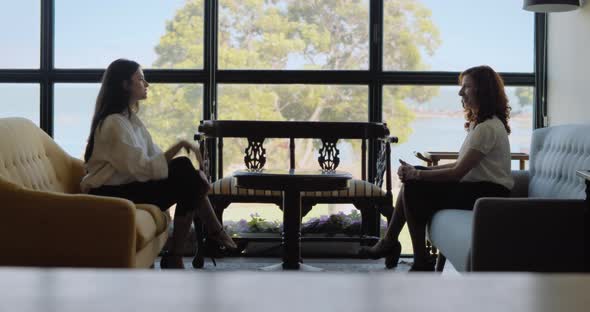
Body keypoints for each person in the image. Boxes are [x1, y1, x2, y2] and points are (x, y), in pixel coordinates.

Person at [80, 58, 236, 269]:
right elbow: (143, 167)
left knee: (187, 174)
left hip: (128, 187)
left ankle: (189, 247)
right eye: (141, 79)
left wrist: (185, 160)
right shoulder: (113, 124)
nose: (147, 85)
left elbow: (153, 160)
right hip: (109, 194)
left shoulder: (130, 120)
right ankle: (209, 235)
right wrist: (180, 144)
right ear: (125, 85)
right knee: (186, 172)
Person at [359, 65, 513, 271]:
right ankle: (391, 242)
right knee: (414, 177)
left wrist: (418, 175)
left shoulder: (487, 128)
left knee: (414, 186)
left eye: (466, 87)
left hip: (488, 194)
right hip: (479, 188)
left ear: (482, 91)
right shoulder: (481, 124)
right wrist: (418, 171)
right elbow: (461, 165)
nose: (460, 92)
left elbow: (458, 173)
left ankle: (415, 257)